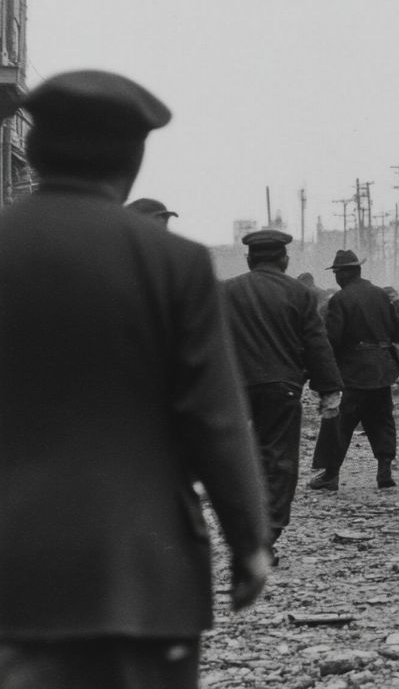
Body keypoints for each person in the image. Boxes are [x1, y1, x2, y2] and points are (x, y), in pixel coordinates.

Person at [0, 70, 270, 689]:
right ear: (132, 158)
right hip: (140, 572)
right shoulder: (174, 262)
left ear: (35, 150)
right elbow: (214, 417)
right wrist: (249, 539)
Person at [221, 229, 343, 562]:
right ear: (284, 259)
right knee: (277, 460)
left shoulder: (225, 291)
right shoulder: (299, 293)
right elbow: (316, 343)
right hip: (281, 388)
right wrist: (329, 390)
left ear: (249, 259)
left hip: (232, 388)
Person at [307, 249, 399, 491]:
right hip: (382, 370)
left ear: (345, 273)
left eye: (337, 272)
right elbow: (396, 332)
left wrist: (324, 369)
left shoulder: (340, 299)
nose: (336, 277)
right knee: (381, 419)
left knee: (339, 422)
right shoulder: (382, 295)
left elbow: (334, 339)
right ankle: (384, 471)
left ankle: (330, 475)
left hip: (353, 372)